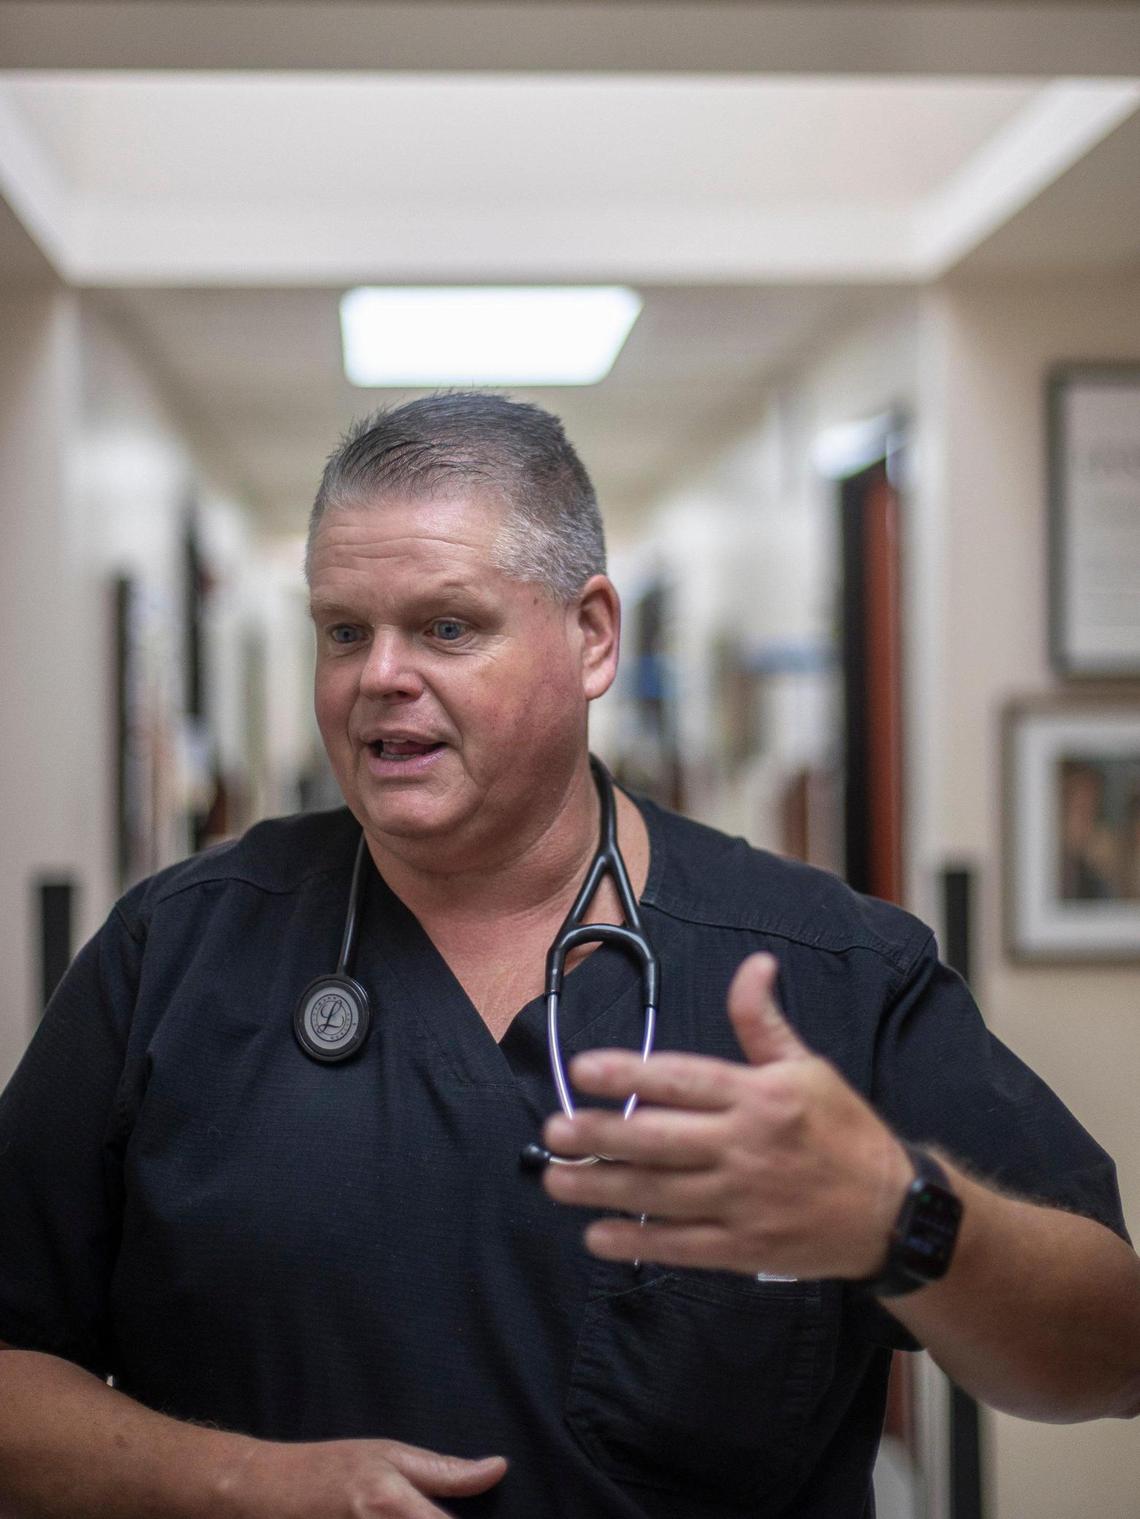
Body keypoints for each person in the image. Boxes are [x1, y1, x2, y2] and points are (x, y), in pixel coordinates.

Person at [0, 392, 1137, 1519]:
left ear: (592, 635)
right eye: (344, 629)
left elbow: (1112, 1352)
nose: (377, 675)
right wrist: (238, 1482)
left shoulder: (826, 970)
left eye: (447, 626)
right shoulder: (174, 954)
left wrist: (904, 1214)